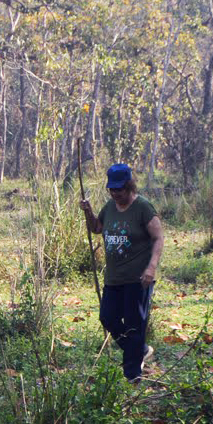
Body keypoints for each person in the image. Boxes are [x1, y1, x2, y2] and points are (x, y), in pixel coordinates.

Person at [80, 162, 164, 381]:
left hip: (138, 279)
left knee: (135, 325)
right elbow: (97, 228)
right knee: (108, 318)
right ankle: (140, 350)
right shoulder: (109, 207)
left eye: (120, 189)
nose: (116, 193)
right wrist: (88, 212)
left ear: (130, 186)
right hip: (114, 278)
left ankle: (132, 375)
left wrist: (151, 268)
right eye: (112, 189)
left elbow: (158, 238)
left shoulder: (143, 208)